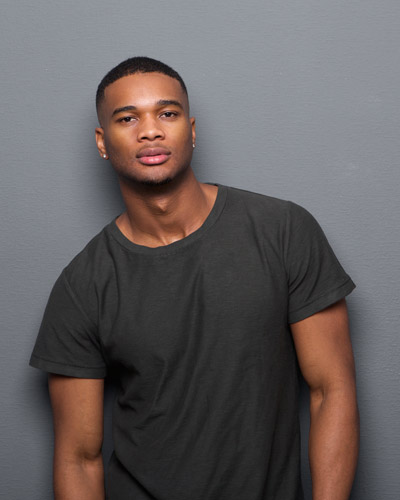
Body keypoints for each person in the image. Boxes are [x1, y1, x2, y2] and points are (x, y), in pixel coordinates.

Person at [30, 56, 359, 500]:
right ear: (102, 142)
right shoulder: (82, 286)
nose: (150, 131)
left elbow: (331, 390)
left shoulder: (283, 231)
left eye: (167, 113)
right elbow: (78, 459)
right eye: (127, 118)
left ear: (192, 129)